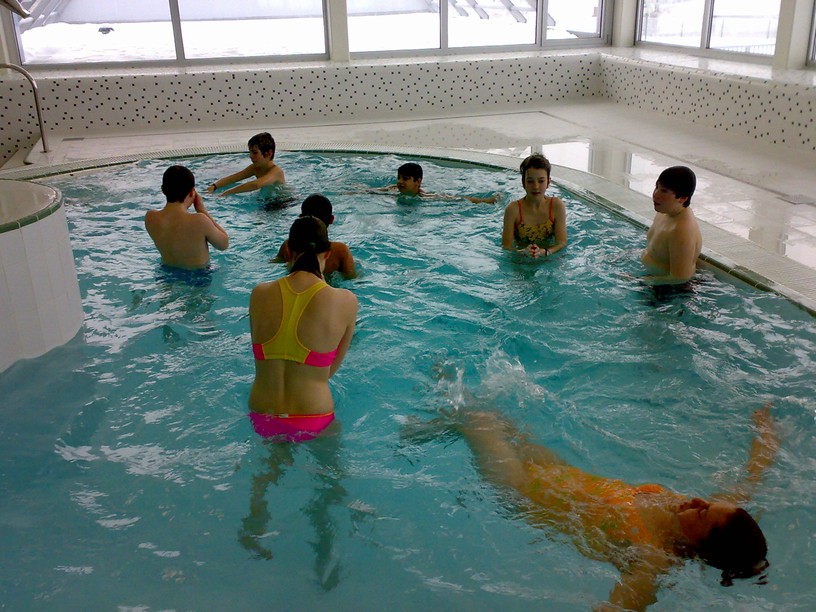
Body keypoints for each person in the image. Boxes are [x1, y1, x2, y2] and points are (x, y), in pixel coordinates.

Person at [439, 403, 778, 611]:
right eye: (709, 502)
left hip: (520, 490)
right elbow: (750, 479)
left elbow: (625, 604)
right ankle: (427, 431)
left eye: (703, 512)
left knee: (477, 419)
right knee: (496, 417)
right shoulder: (686, 512)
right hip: (554, 470)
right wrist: (767, 438)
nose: (697, 501)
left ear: (699, 542)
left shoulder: (651, 557)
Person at [248, 216, 358, 442]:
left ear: (288, 251)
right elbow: (328, 371)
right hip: (313, 415)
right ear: (327, 253)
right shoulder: (346, 301)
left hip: (263, 414)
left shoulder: (259, 294)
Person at [144, 165, 229, 270]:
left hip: (166, 273)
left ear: (163, 190)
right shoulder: (200, 220)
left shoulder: (150, 218)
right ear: (192, 192)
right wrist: (203, 211)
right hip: (198, 276)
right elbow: (224, 244)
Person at [640, 166, 702, 285]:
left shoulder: (681, 231)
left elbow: (680, 278)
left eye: (664, 191)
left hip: (666, 290)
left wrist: (638, 281)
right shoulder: (665, 211)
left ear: (682, 198)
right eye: (656, 187)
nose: (655, 194)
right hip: (652, 277)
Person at [273, 194, 357, 279]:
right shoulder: (341, 251)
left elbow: (273, 265)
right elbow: (352, 279)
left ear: (301, 218)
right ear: (331, 219)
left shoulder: (289, 245)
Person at [501, 153, 567, 257]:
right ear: (523, 183)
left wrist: (545, 252)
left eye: (541, 181)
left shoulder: (556, 206)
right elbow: (506, 247)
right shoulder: (513, 210)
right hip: (520, 260)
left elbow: (561, 243)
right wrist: (523, 252)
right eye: (530, 181)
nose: (536, 186)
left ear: (548, 182)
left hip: (548, 258)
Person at [374, 162, 498, 203]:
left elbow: (458, 199)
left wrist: (485, 201)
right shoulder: (392, 190)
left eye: (405, 179)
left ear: (418, 181)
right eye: (399, 178)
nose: (400, 182)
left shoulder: (426, 197)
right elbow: (369, 191)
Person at [206, 132, 285, 196]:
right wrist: (214, 186)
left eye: (255, 153)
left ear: (269, 153)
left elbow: (256, 185)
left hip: (283, 202)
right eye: (250, 152)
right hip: (268, 201)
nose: (250, 156)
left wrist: (227, 192)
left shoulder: (276, 172)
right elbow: (234, 178)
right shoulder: (255, 168)